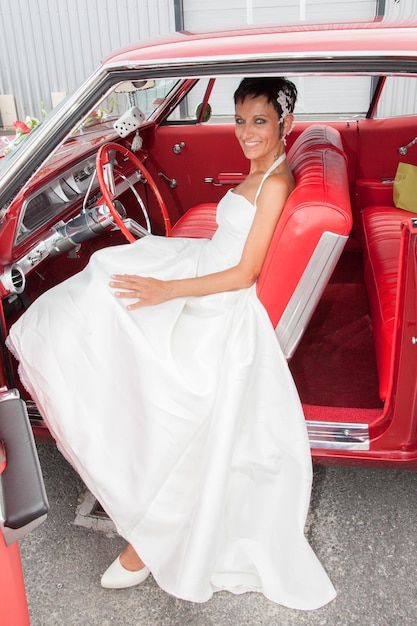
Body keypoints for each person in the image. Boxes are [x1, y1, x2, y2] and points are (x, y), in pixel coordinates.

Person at [7, 77, 336, 610]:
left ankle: (147, 519)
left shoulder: (275, 183)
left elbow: (245, 272)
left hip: (221, 297)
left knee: (112, 302)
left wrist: (167, 290)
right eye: (240, 120)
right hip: (205, 265)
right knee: (106, 269)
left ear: (284, 124)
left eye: (260, 122)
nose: (247, 133)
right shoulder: (262, 168)